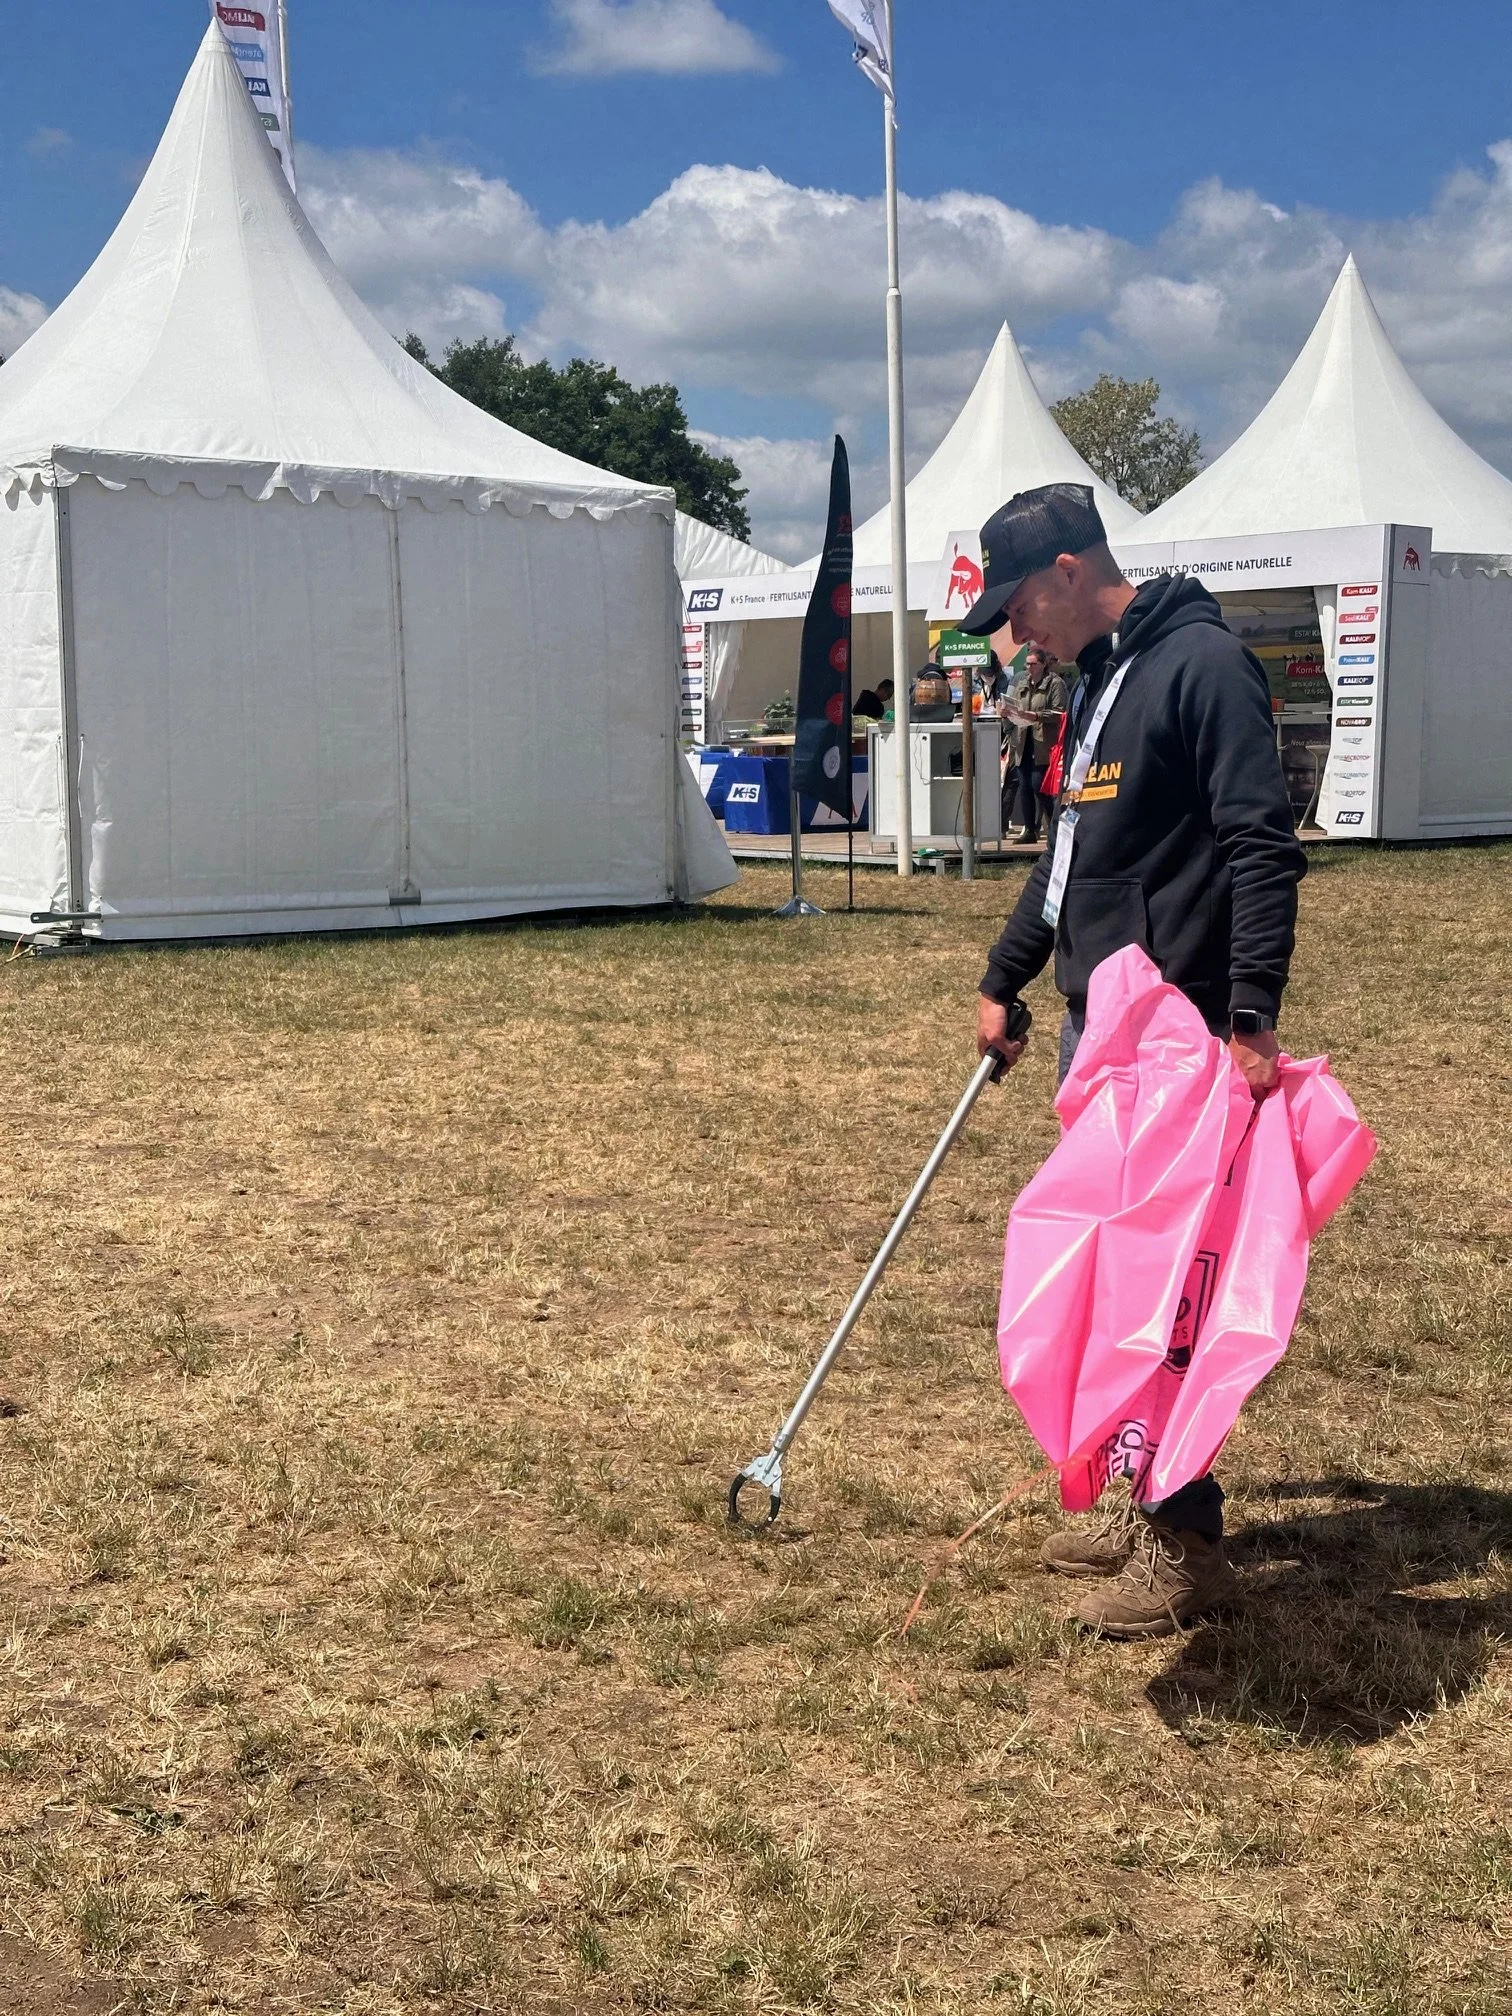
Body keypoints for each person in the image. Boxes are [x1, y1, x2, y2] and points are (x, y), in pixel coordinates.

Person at [956, 481, 1307, 1640]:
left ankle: (1187, 1548)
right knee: (1110, 1290)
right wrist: (1007, 974)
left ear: (1066, 570)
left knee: (1164, 1301)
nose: (1014, 640)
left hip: (1183, 1036)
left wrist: (1249, 1017)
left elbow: (1261, 843)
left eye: (1016, 610)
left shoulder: (1201, 666)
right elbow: (1069, 862)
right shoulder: (1101, 683)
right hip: (1097, 1035)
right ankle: (1134, 1498)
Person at [1003, 646, 1068, 842]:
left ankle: (1054, 828)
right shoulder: (1022, 683)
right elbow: (1015, 704)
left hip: (1044, 743)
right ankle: (1030, 830)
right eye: (1027, 663)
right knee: (1024, 786)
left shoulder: (1055, 684)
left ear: (1043, 664)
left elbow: (1059, 713)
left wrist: (1036, 715)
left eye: (1033, 664)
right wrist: (1007, 713)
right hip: (1023, 740)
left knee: (1040, 786)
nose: (1029, 667)